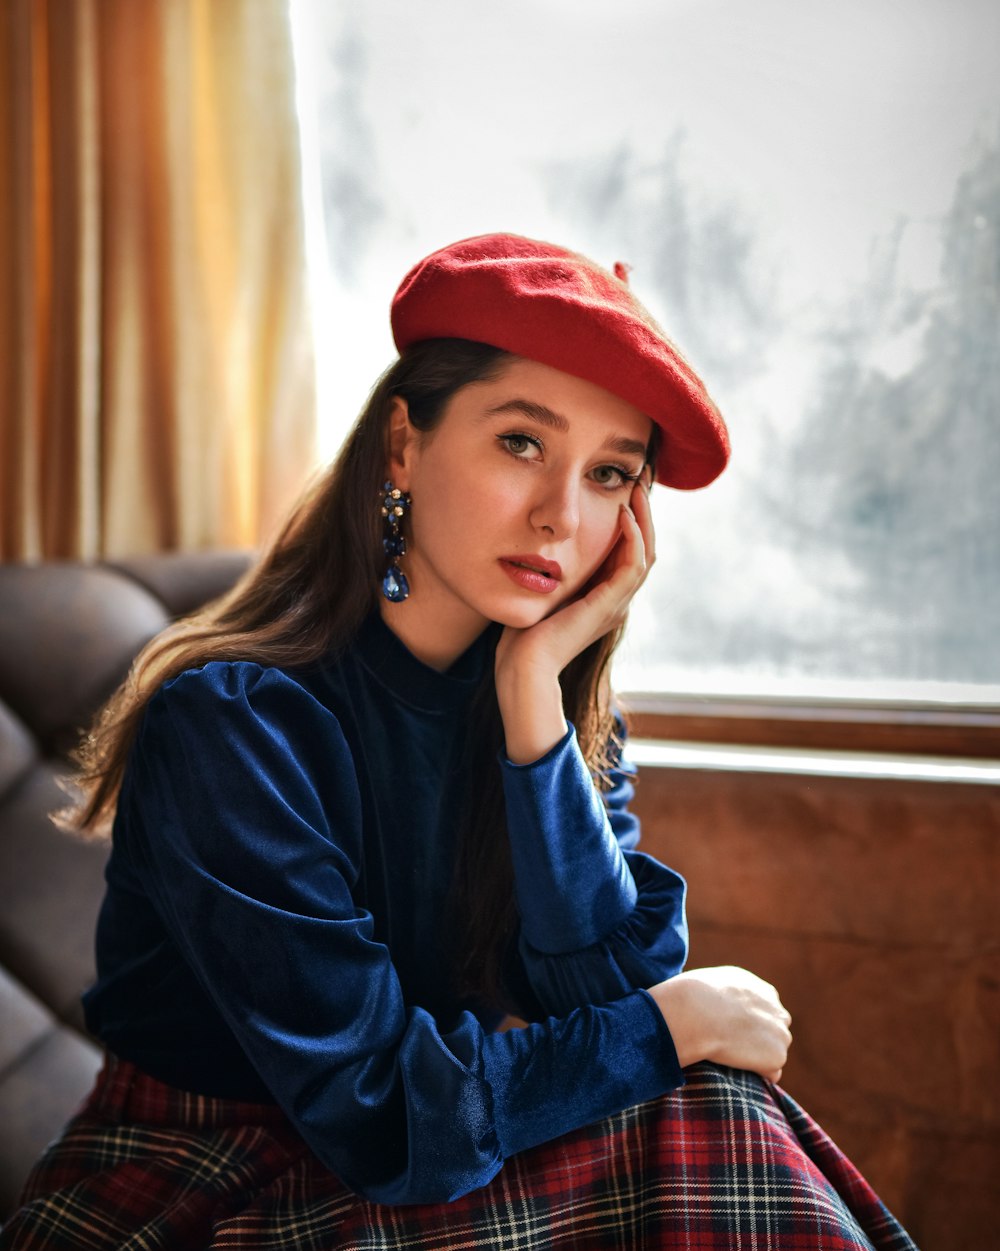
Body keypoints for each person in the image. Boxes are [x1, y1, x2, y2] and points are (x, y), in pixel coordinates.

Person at [0, 234, 918, 1250]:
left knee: (708, 1110)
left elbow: (601, 1007)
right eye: (522, 443)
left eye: (610, 473)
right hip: (194, 1191)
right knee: (707, 1106)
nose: (559, 516)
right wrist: (674, 1024)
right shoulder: (235, 724)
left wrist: (534, 712)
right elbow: (387, 1107)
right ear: (402, 444)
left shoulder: (556, 728)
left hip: (429, 1171)